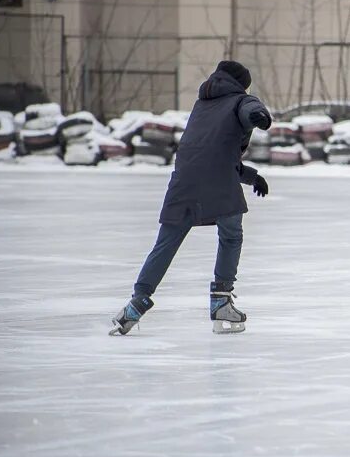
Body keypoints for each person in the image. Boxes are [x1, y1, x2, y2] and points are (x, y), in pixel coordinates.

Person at [110, 61, 272, 335]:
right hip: (218, 182)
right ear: (241, 84)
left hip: (184, 182)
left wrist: (251, 176)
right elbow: (249, 110)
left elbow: (211, 152)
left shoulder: (203, 105)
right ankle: (221, 300)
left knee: (167, 242)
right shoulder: (240, 101)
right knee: (231, 235)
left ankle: (135, 305)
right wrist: (259, 114)